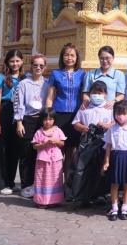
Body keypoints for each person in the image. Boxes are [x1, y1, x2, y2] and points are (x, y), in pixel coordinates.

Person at [46, 43, 85, 180]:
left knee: (71, 150)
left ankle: (67, 183)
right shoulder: (56, 74)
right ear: (62, 57)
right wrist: (48, 116)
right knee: (58, 149)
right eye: (66, 55)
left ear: (77, 57)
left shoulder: (81, 74)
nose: (69, 58)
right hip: (59, 114)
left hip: (75, 115)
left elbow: (83, 95)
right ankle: (54, 182)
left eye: (72, 55)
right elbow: (50, 96)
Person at [14, 54, 49, 198]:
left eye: (41, 66)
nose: (38, 68)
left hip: (42, 121)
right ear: (31, 67)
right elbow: (19, 104)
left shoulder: (47, 83)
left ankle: (39, 184)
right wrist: (19, 122)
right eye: (35, 65)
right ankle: (26, 185)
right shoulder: (24, 84)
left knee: (40, 153)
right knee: (26, 153)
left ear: (45, 68)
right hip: (27, 120)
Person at [0, 49, 26, 195]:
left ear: (22, 61)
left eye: (17, 61)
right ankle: (0, 184)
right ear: (7, 62)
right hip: (5, 111)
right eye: (12, 61)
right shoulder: (2, 77)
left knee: (14, 148)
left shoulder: (26, 77)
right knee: (1, 148)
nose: (15, 64)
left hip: (19, 112)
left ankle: (10, 182)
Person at [102, 100, 127, 221]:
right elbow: (108, 146)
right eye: (118, 113)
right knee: (114, 183)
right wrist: (106, 162)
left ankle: (124, 207)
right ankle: (114, 207)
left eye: (124, 113)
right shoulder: (112, 129)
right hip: (115, 157)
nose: (121, 116)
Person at [32, 108, 66, 208]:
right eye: (45, 119)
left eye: (50, 119)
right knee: (43, 180)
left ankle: (54, 200)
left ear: (54, 120)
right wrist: (44, 144)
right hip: (42, 161)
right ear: (41, 120)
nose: (48, 122)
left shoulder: (58, 131)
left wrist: (56, 141)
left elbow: (62, 143)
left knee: (55, 180)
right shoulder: (39, 132)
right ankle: (42, 201)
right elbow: (34, 146)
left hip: (56, 160)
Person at [82, 46, 125, 110]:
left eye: (107, 58)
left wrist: (114, 101)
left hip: (110, 109)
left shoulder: (119, 74)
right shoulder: (90, 74)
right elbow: (86, 93)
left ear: (113, 58)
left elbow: (121, 95)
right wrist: (86, 101)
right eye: (102, 58)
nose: (105, 61)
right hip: (93, 109)